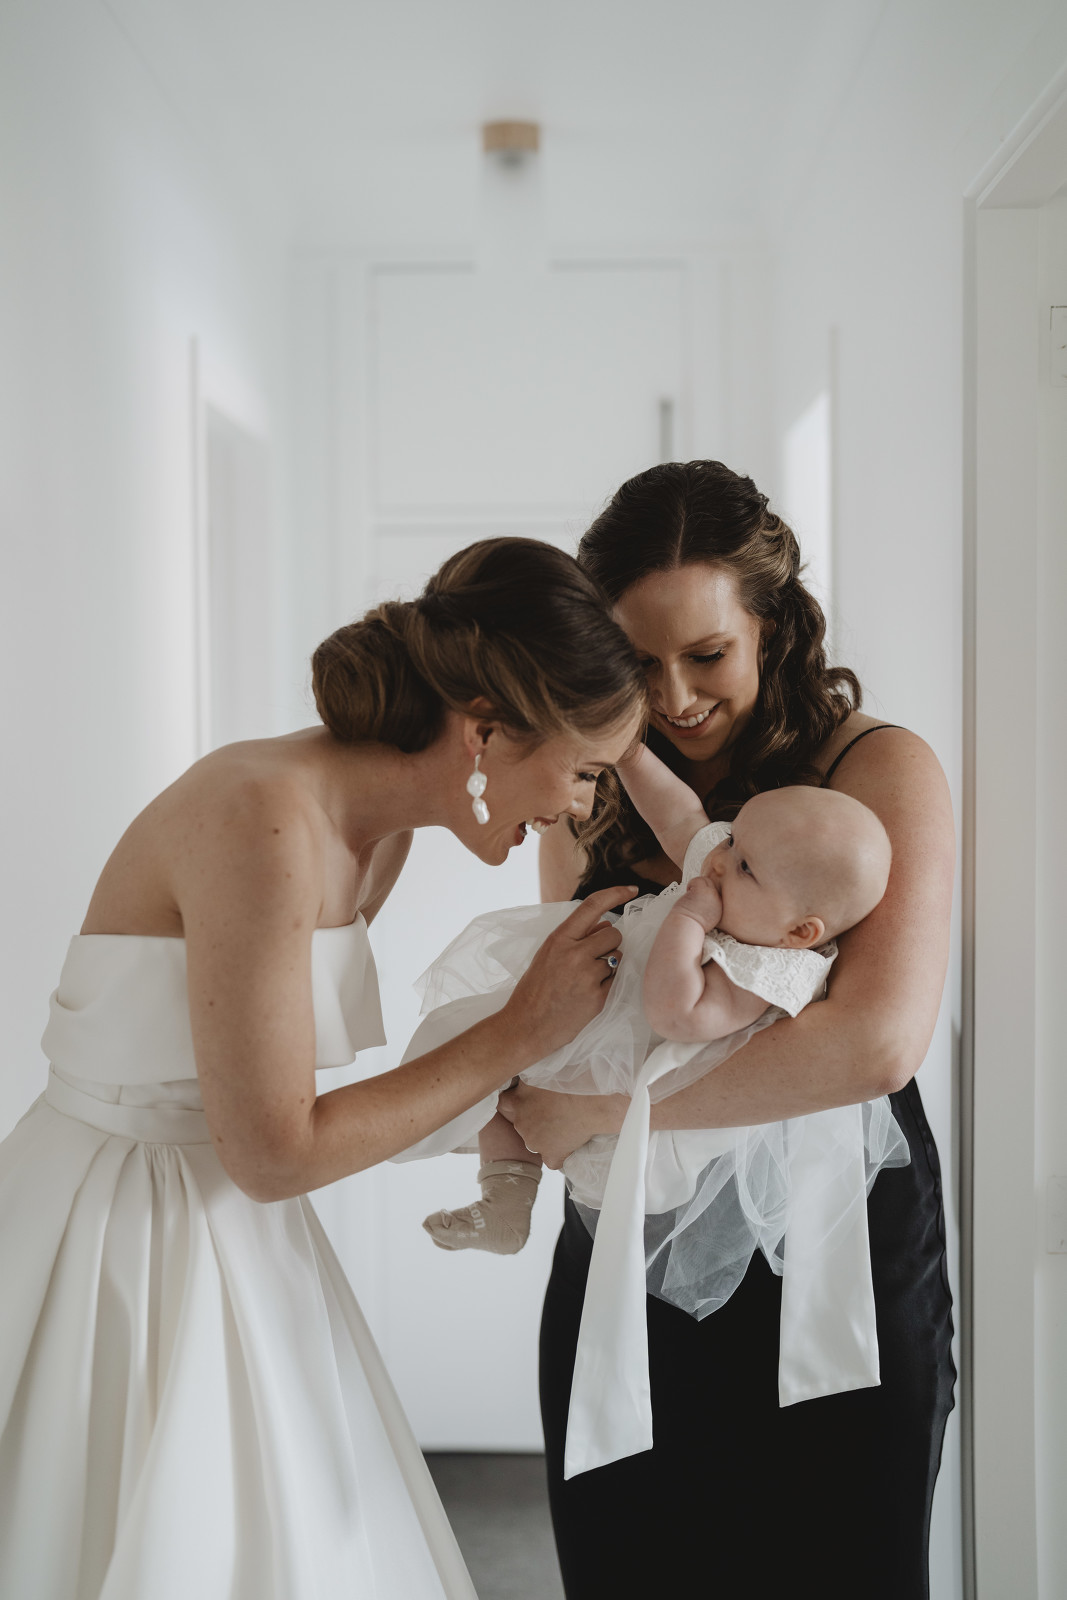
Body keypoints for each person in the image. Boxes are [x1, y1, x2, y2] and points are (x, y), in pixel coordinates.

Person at [0, 537, 647, 1600]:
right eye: (583, 770)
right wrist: (513, 1034)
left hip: (236, 1223)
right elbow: (273, 1150)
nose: (579, 806)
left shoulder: (383, 832)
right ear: (485, 730)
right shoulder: (261, 817)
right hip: (123, 1225)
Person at [505, 463, 957, 1600]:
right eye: (636, 662)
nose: (672, 697)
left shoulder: (876, 771)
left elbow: (872, 1045)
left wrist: (600, 1116)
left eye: (705, 654)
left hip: (831, 1244)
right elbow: (570, 1006)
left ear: (772, 626)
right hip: (630, 1241)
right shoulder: (592, 787)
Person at [418, 743, 894, 1260]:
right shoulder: (730, 880)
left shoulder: (763, 972)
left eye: (745, 867)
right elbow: (680, 816)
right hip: (597, 1040)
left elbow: (676, 1015)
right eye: (732, 838)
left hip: (630, 1106)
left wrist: (688, 919)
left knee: (511, 1074)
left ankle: (505, 1195)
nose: (717, 862)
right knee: (488, 1049)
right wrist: (630, 755)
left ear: (799, 932)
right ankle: (505, 1200)